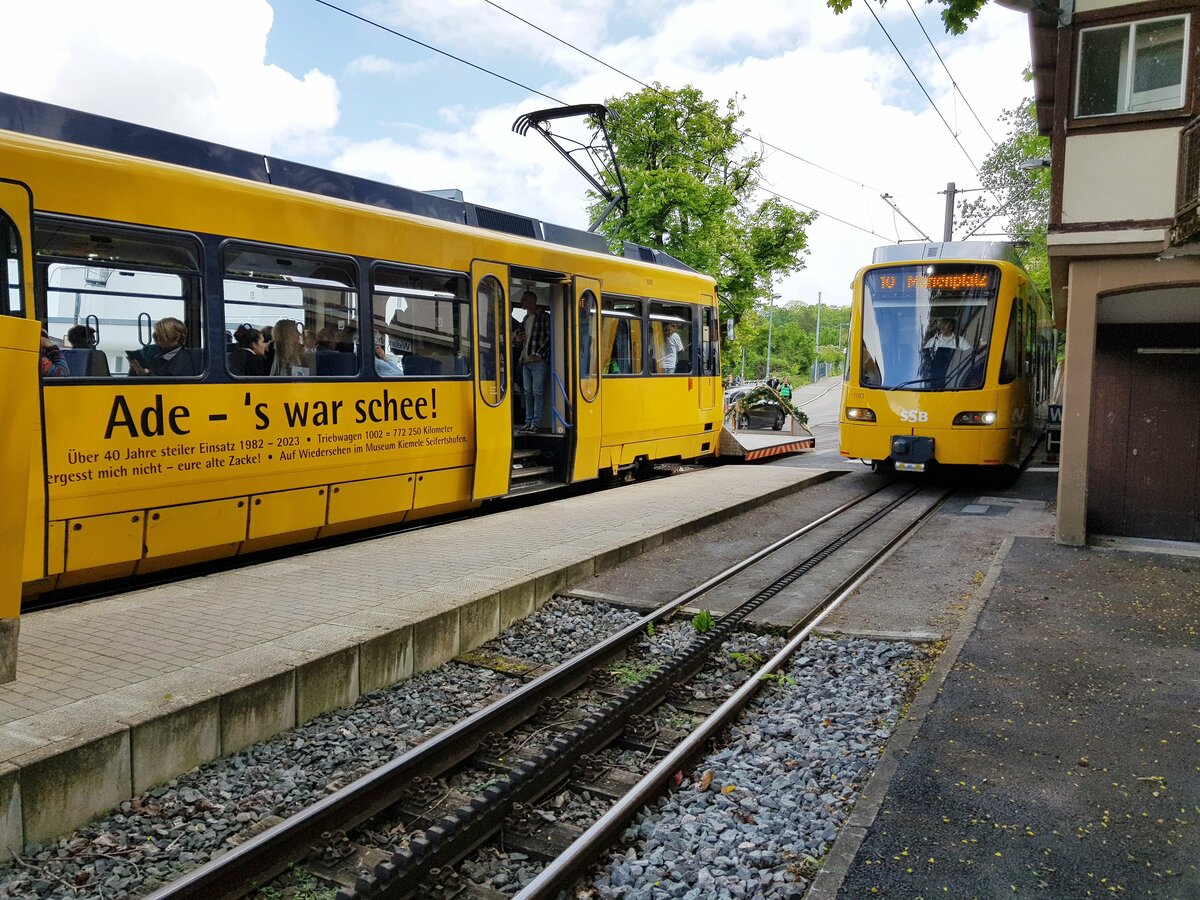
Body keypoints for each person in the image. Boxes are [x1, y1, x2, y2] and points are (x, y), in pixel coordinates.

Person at [518, 290, 550, 432]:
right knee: (528, 392)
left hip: (537, 360)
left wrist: (540, 354)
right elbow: (521, 338)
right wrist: (518, 340)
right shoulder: (525, 319)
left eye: (524, 299)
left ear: (532, 301)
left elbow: (549, 337)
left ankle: (535, 422)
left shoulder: (543, 316)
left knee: (536, 392)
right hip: (526, 359)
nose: (522, 302)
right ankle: (529, 421)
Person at [130, 317, 197, 376]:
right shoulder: (150, 351)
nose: (157, 339)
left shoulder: (183, 362)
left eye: (162, 336)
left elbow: (172, 385)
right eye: (156, 335)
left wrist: (147, 375)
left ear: (177, 338)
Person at [922, 317, 971, 387]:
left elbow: (968, 353)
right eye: (941, 325)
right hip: (935, 376)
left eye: (944, 325)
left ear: (951, 327)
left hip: (953, 375)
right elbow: (924, 354)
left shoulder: (959, 340)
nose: (941, 327)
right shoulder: (934, 340)